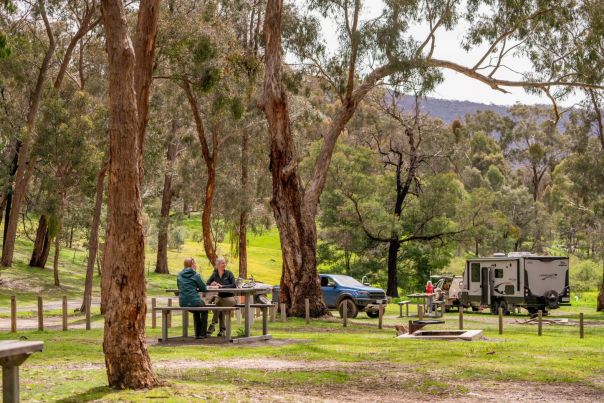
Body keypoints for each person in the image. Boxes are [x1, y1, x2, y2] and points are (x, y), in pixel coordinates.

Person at [177, 258, 208, 339]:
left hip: (183, 302)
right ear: (192, 265)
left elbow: (179, 286)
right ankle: (202, 333)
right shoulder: (195, 274)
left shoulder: (179, 274)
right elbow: (204, 288)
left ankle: (197, 334)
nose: (196, 264)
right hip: (194, 301)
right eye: (195, 263)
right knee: (204, 309)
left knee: (196, 311)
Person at [206, 257, 236, 337]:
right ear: (218, 265)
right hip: (220, 298)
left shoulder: (229, 273)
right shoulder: (214, 274)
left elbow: (234, 285)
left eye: (225, 263)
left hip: (230, 298)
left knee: (218, 304)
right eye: (223, 263)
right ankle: (222, 330)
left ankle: (213, 323)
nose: (224, 264)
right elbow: (207, 284)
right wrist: (211, 284)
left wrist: (222, 286)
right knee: (219, 304)